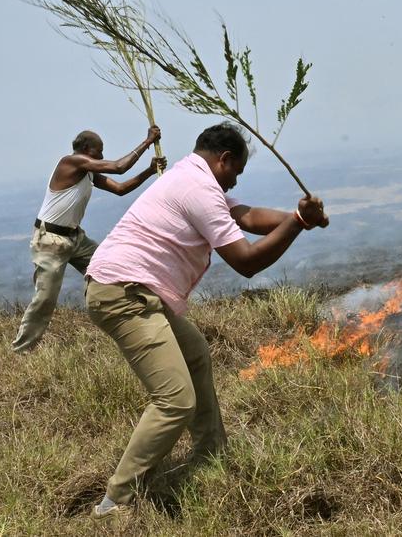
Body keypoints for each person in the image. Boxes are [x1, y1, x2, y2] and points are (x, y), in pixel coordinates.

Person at [83, 121, 329, 518]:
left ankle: (211, 455)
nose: (234, 183)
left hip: (134, 289)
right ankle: (116, 501)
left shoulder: (191, 176)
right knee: (175, 401)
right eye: (236, 173)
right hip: (124, 293)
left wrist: (300, 216)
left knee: (195, 354)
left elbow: (246, 217)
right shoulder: (198, 189)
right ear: (225, 159)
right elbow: (246, 262)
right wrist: (298, 224)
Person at [11, 126, 165, 353]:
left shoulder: (88, 171)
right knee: (45, 299)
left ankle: (136, 317)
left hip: (75, 237)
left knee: (111, 269)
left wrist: (150, 171)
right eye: (98, 152)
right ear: (85, 150)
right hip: (51, 240)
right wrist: (148, 141)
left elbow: (121, 188)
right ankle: (22, 350)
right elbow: (118, 168)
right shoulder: (70, 162)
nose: (101, 157)